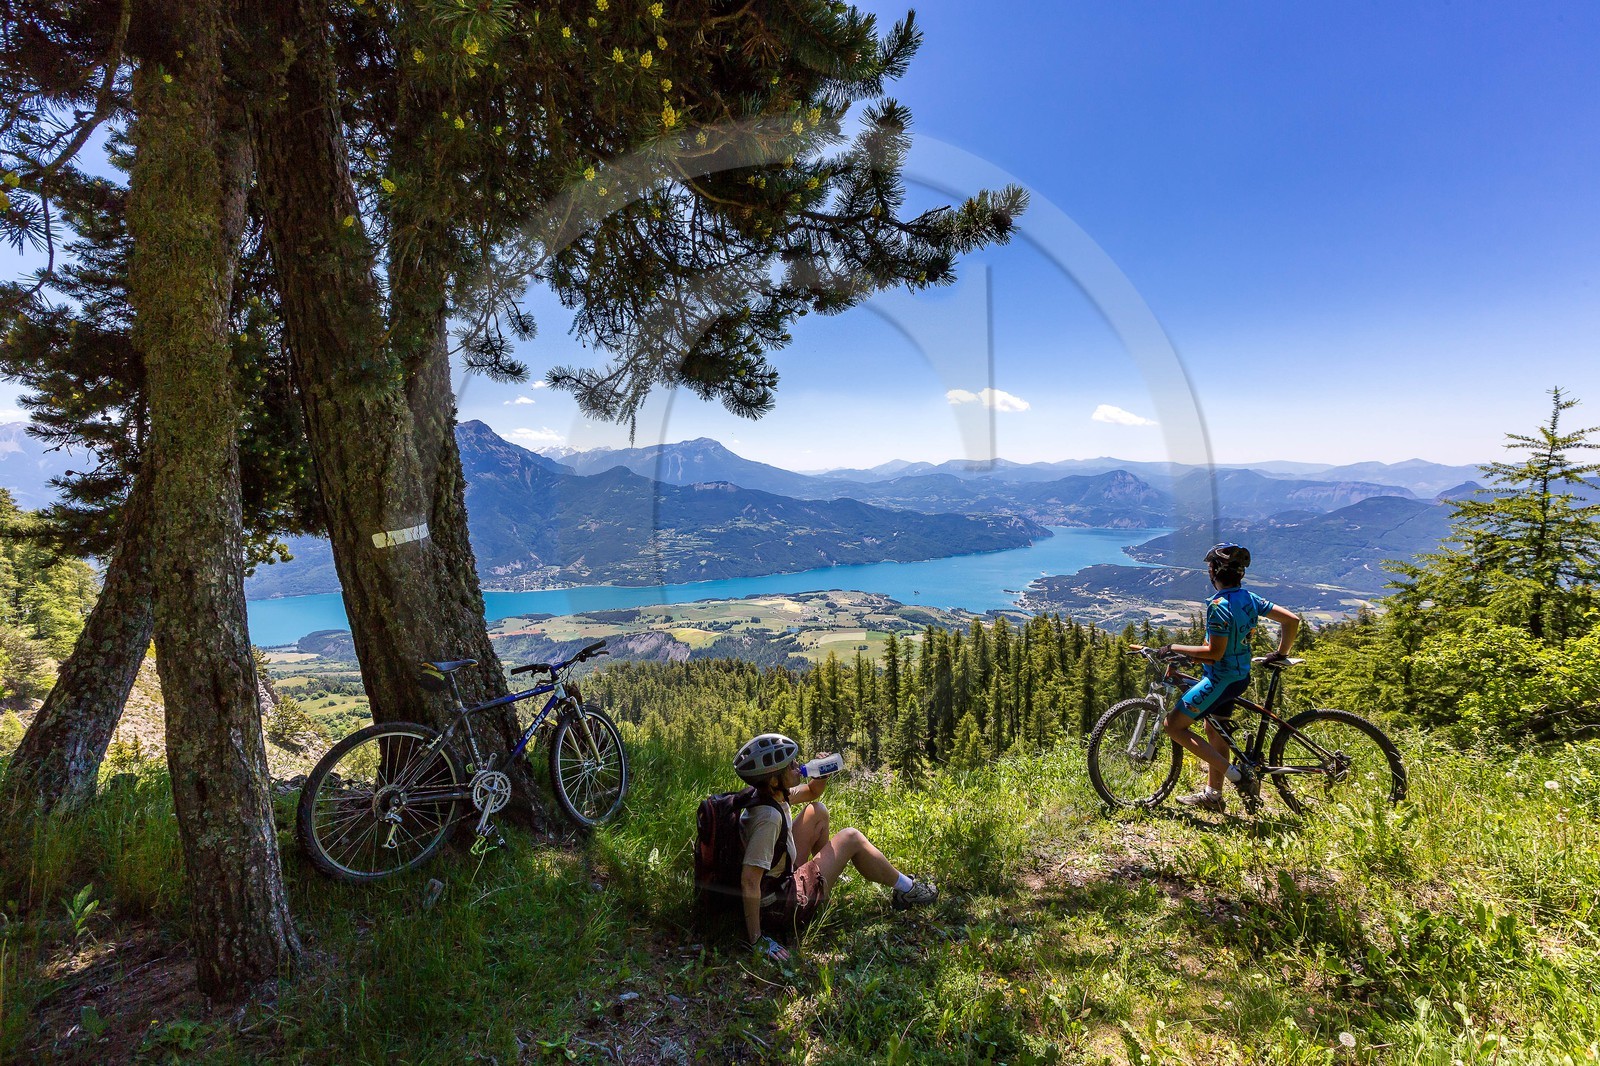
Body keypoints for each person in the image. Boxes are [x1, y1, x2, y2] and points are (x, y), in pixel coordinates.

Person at [733, 733, 937, 963]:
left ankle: (825, 885)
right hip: (779, 904)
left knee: (816, 811)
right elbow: (749, 880)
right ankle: (908, 890)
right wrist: (757, 939)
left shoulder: (770, 794)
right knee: (851, 838)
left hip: (779, 875)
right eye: (790, 765)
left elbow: (812, 792)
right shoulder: (768, 818)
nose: (797, 765)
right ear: (773, 780)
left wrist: (820, 774)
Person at [1139, 543, 1299, 813]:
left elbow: (1214, 653)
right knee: (1215, 731)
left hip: (1221, 680)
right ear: (1240, 574)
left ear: (1213, 571)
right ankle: (1213, 796)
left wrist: (1175, 648)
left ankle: (1237, 776)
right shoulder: (1249, 598)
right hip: (1239, 676)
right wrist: (1279, 653)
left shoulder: (1219, 606)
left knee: (1173, 726)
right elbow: (1291, 621)